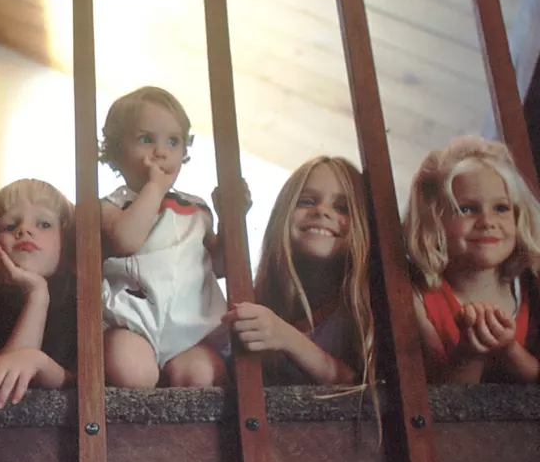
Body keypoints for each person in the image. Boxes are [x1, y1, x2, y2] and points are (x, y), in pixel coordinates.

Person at [99, 85, 231, 388]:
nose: (161, 151)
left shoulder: (196, 208)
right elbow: (126, 240)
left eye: (173, 141)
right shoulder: (111, 206)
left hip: (191, 329)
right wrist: (154, 189)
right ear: (117, 152)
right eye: (146, 140)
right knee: (132, 372)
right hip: (134, 321)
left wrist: (229, 217)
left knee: (202, 375)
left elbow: (219, 265)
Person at [222, 157, 375, 386]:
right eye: (306, 201)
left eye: (342, 207)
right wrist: (228, 221)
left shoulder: (364, 308)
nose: (322, 211)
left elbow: (368, 391)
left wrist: (287, 338)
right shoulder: (257, 299)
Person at [404, 135, 540, 383]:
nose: (487, 222)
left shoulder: (532, 285)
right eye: (466, 208)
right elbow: (444, 404)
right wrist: (471, 353)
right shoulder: (417, 297)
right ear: (434, 221)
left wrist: (509, 349)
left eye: (501, 208)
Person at [0, 179, 76, 409]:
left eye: (43, 224)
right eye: (10, 226)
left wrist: (41, 364)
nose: (24, 230)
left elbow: (89, 384)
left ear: (67, 247)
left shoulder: (79, 311)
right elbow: (1, 385)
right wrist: (36, 293)